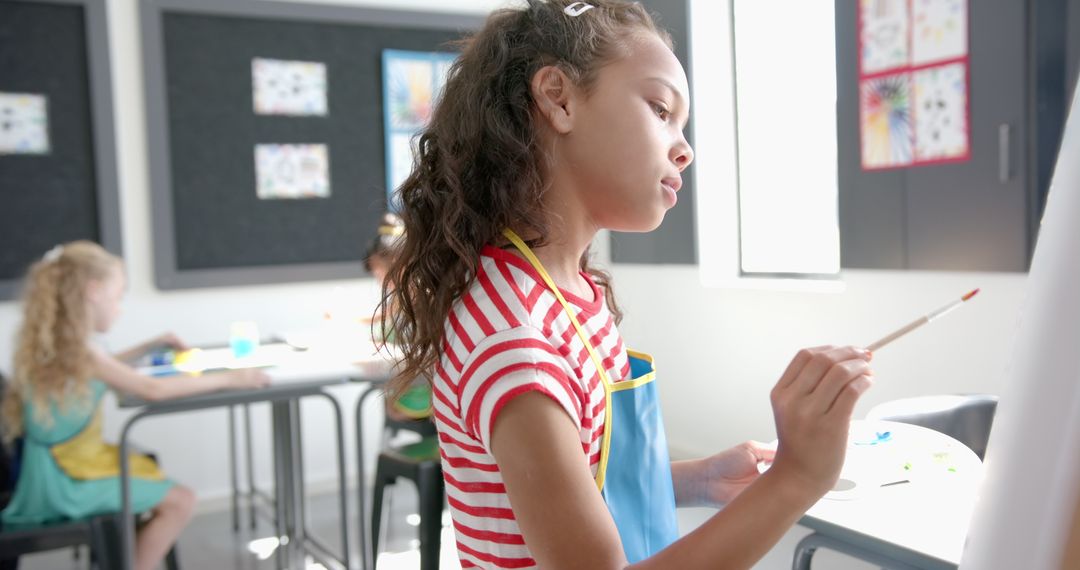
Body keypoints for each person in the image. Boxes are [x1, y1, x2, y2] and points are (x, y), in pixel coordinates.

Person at [382, 1, 876, 568]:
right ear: (559, 98)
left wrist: (697, 480)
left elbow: (581, 477)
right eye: (661, 109)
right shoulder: (515, 343)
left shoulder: (569, 291)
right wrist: (798, 477)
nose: (684, 148)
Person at [0, 241, 269, 570]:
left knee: (153, 480)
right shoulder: (81, 352)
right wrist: (231, 379)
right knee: (181, 501)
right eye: (118, 297)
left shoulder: (61, 344)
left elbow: (107, 367)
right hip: (64, 483)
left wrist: (149, 345)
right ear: (94, 291)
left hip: (52, 469)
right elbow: (151, 388)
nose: (120, 308)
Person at [365, 213, 431, 420]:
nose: (377, 280)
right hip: (405, 386)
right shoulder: (400, 297)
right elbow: (383, 318)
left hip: (422, 398)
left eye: (378, 273)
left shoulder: (420, 298)